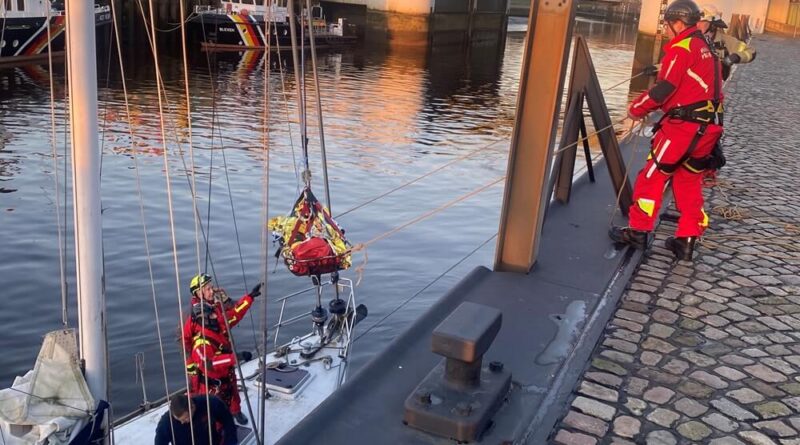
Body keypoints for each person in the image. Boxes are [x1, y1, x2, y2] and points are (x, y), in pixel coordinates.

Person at [609, 0, 724, 262]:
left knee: (651, 176)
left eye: (667, 23)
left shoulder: (682, 47)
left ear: (678, 23)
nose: (666, 28)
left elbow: (664, 88)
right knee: (688, 180)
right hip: (707, 129)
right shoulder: (707, 46)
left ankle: (639, 230)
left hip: (683, 128)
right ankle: (686, 239)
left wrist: (636, 108)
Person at [187, 302, 249, 425]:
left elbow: (234, 315)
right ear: (204, 320)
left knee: (234, 397)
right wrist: (235, 357)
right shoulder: (200, 345)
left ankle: (236, 412)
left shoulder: (217, 329)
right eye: (212, 315)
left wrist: (249, 298)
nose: (216, 316)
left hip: (227, 376)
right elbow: (208, 364)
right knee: (215, 415)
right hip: (213, 386)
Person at [181, 274, 261, 356]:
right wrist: (249, 298)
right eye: (208, 289)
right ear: (198, 293)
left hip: (221, 354)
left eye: (212, 288)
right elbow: (232, 317)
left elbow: (233, 310)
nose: (212, 291)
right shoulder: (203, 314)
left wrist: (227, 301)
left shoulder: (212, 305)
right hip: (214, 359)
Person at [698, 4, 756, 80]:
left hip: (714, 87)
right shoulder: (690, 39)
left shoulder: (725, 41)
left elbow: (751, 52)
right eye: (696, 22)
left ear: (713, 25)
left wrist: (735, 57)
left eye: (702, 22)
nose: (698, 25)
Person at [154, 392, 237, 445]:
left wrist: (230, 442)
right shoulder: (166, 423)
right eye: (179, 420)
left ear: (192, 407)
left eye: (185, 418)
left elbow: (228, 421)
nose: (182, 422)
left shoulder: (209, 403)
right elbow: (159, 442)